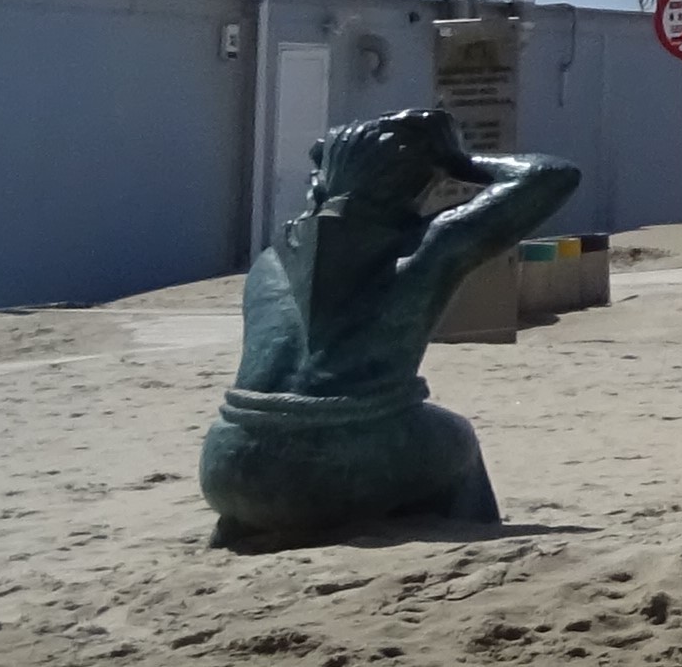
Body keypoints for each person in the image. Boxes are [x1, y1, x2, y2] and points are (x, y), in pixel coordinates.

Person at [200, 109, 579, 543]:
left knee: (288, 429)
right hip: (335, 466)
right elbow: (551, 176)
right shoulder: (424, 248)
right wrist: (457, 159)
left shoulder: (273, 258)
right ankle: (469, 536)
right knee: (455, 439)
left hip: (226, 465)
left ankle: (240, 530)